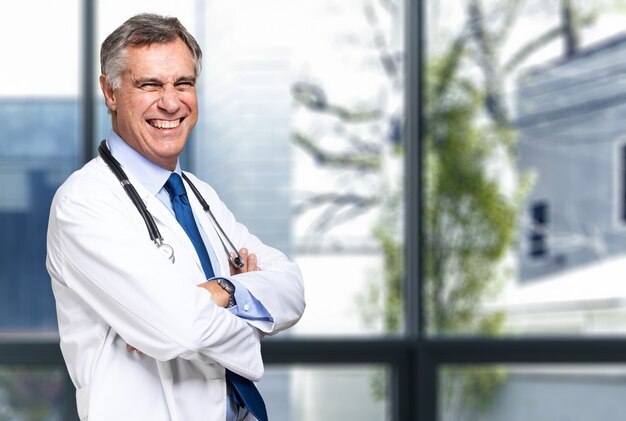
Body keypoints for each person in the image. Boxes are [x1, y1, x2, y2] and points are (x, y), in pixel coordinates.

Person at [46, 13, 305, 421]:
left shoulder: (199, 195)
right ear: (110, 92)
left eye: (183, 83)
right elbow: (182, 328)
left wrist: (221, 294)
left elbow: (290, 287)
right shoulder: (84, 203)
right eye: (149, 84)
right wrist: (243, 298)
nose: (171, 101)